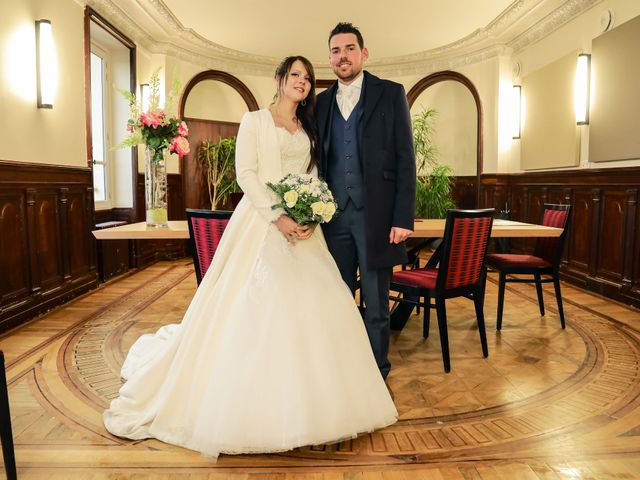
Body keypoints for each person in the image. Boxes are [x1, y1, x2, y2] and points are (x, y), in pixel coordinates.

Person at [103, 56, 397, 460]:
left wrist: (310, 211)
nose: (303, 83)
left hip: (305, 228)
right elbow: (247, 174)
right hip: (262, 223)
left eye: (308, 79)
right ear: (279, 79)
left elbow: (314, 176)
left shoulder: (307, 126)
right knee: (253, 308)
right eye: (295, 75)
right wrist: (277, 216)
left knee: (319, 307)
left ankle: (319, 401)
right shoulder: (254, 121)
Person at [316, 23, 416, 380]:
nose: (342, 56)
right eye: (335, 51)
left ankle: (377, 372)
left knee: (376, 302)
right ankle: (344, 370)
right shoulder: (321, 102)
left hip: (376, 217)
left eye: (349, 48)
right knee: (339, 299)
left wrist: (403, 217)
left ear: (363, 53)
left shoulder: (390, 93)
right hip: (333, 218)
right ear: (329, 58)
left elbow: (406, 157)